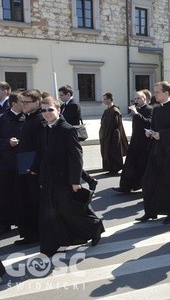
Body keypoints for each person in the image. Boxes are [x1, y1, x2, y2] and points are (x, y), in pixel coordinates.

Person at [32, 96, 104, 256]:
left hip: (64, 180)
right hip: (48, 179)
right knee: (50, 213)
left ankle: (94, 227)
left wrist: (74, 181)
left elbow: (76, 158)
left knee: (69, 211)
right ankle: (53, 245)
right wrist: (35, 170)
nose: (47, 113)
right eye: (43, 110)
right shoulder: (44, 128)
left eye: (50, 109)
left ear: (58, 110)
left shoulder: (68, 129)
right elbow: (42, 153)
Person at [138, 82, 170, 224]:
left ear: (166, 93)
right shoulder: (157, 110)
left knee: (169, 184)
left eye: (158, 92)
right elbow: (154, 127)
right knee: (148, 181)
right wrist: (150, 133)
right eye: (155, 91)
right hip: (156, 151)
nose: (155, 94)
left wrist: (162, 135)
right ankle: (150, 211)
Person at [0, 92, 24, 237]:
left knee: (22, 195)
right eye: (23, 101)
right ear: (14, 103)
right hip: (6, 163)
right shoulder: (0, 119)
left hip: (23, 164)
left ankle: (22, 222)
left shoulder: (26, 118)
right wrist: (7, 143)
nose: (25, 104)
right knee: (5, 195)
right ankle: (5, 224)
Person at [13, 90, 45, 245]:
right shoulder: (30, 118)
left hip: (33, 169)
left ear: (37, 102)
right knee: (26, 201)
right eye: (22, 102)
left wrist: (34, 166)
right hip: (25, 166)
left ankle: (36, 235)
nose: (23, 105)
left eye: (26, 102)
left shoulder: (40, 119)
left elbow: (41, 147)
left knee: (34, 202)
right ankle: (31, 234)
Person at [58, 85, 98, 191]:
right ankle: (90, 180)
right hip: (64, 136)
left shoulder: (73, 105)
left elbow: (66, 119)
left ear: (68, 94)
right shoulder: (64, 105)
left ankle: (89, 180)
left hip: (71, 136)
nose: (60, 97)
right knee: (69, 161)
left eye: (62, 95)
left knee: (73, 161)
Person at [113, 91, 153, 193]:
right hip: (135, 140)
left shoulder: (149, 109)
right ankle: (125, 187)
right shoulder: (138, 109)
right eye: (135, 99)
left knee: (140, 166)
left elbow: (148, 123)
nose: (136, 101)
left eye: (138, 98)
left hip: (144, 143)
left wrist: (136, 113)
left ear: (144, 99)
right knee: (129, 164)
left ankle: (139, 186)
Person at [99, 92, 129, 175]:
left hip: (113, 135)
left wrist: (109, 132)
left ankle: (115, 169)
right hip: (106, 135)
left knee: (114, 152)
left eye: (105, 99)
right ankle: (110, 169)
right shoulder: (106, 111)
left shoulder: (115, 110)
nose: (104, 101)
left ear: (109, 99)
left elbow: (116, 124)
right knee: (107, 152)